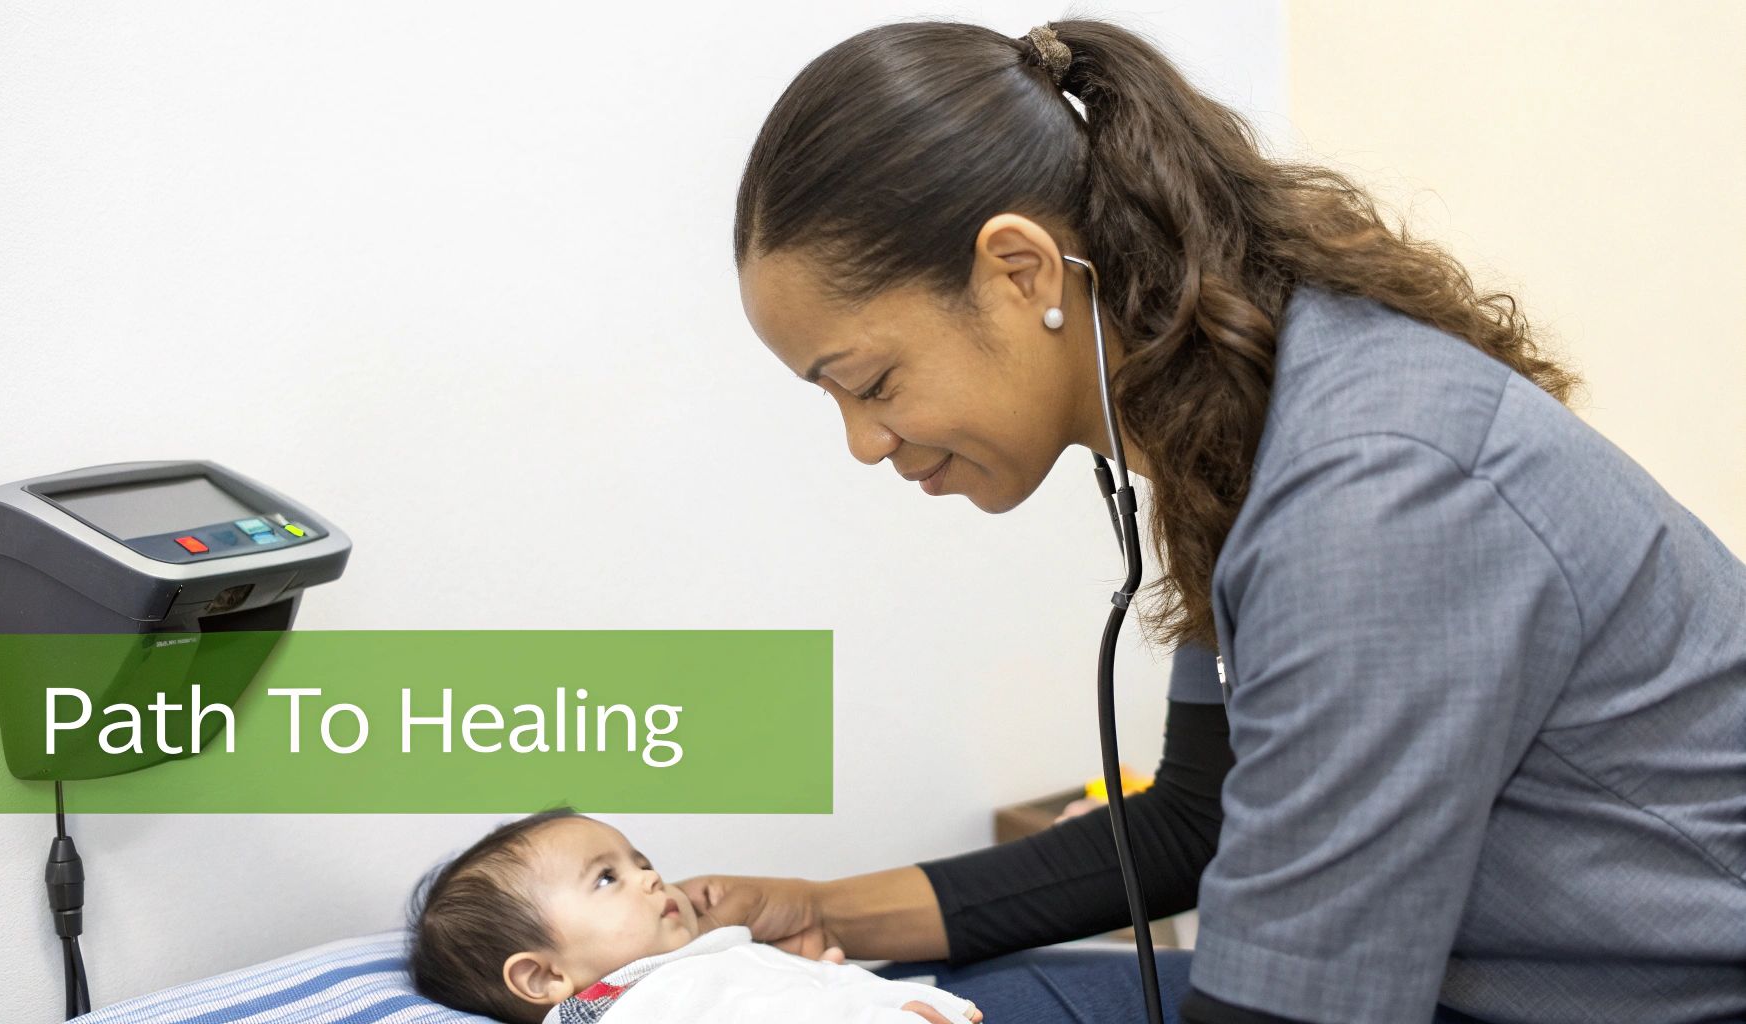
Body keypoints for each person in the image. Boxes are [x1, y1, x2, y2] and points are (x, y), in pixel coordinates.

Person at [685, 17, 1746, 1024]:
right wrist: (822, 915)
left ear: (1020, 271)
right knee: (904, 995)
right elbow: (1201, 816)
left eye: (871, 383)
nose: (863, 443)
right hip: (1471, 983)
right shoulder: (1241, 414)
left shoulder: (1370, 492)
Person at [407, 809, 984, 1023]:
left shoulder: (694, 967)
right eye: (606, 878)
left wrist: (821, 982)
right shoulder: (639, 1008)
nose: (650, 877)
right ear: (544, 976)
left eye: (641, 862)